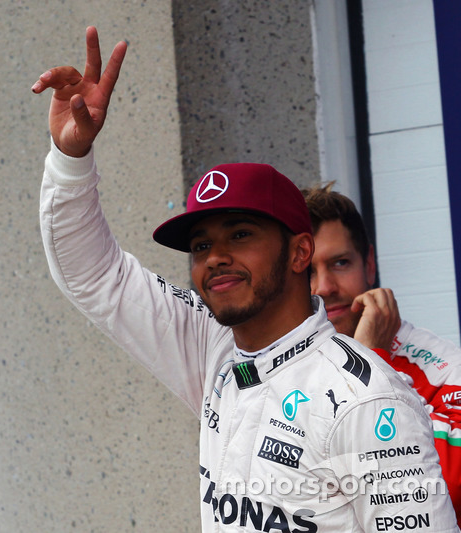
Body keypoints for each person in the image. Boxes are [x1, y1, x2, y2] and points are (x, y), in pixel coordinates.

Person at [32, 26, 460, 531]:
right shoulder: (212, 349)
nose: (214, 257)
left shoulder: (368, 398)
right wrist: (70, 159)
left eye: (239, 234)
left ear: (300, 251)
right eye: (200, 245)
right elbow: (93, 274)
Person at [305, 182, 461, 525]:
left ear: (370, 264)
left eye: (340, 263)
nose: (324, 287)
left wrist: (368, 357)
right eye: (307, 272)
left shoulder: (444, 368)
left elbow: (447, 488)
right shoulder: (282, 366)